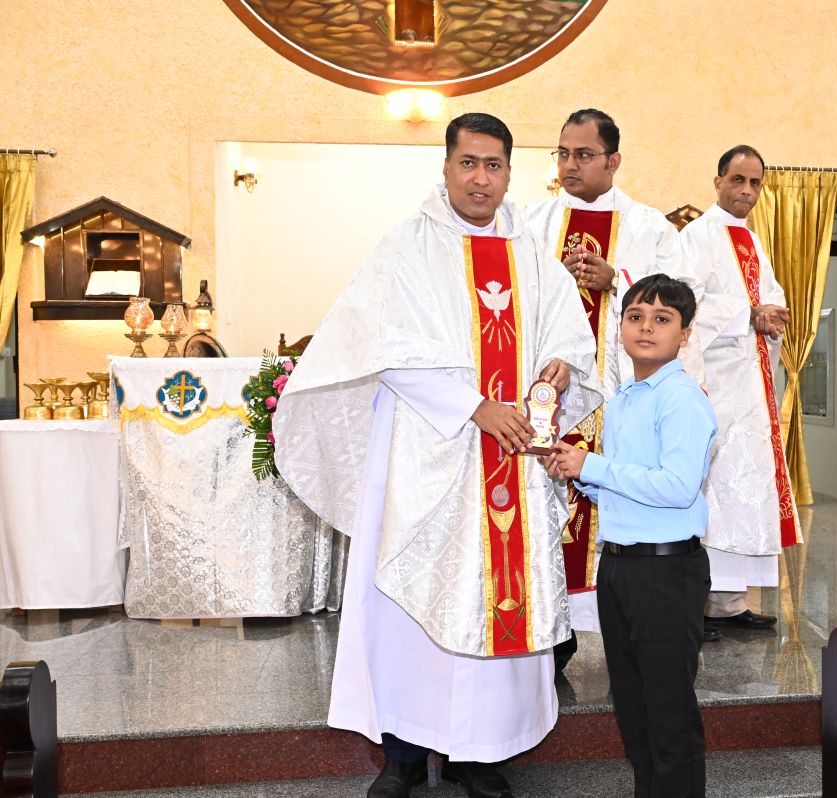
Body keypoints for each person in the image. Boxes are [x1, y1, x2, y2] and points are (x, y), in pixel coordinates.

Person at [272, 113, 602, 798]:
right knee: (414, 595)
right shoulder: (407, 247)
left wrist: (561, 367)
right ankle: (401, 753)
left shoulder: (532, 251)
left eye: (494, 165)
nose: (481, 178)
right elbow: (383, 347)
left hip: (511, 457)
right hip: (430, 453)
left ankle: (478, 754)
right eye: (468, 163)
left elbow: (568, 334)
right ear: (446, 167)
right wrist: (474, 407)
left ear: (509, 172)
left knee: (492, 600)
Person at [541, 273, 717, 798]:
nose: (646, 328)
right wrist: (580, 475)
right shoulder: (622, 399)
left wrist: (593, 465)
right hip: (619, 566)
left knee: (668, 712)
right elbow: (629, 486)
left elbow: (678, 488)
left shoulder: (680, 398)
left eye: (662, 319)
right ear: (619, 328)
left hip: (667, 570)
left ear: (684, 334)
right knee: (634, 709)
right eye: (635, 317)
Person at [524, 109, 687, 663]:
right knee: (548, 501)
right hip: (551, 394)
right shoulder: (533, 222)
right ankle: (553, 628)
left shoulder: (648, 226)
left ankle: (614, 618)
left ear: (613, 160)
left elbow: (681, 297)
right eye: (563, 153)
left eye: (584, 155)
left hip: (618, 393)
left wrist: (616, 280)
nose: (569, 165)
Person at [679, 145, 800, 630]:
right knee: (717, 491)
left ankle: (730, 603)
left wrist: (772, 315)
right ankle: (701, 605)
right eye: (737, 180)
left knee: (748, 490)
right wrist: (747, 315)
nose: (746, 191)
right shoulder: (696, 236)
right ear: (718, 181)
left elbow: (770, 295)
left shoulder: (752, 238)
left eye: (755, 183)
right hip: (716, 385)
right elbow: (684, 302)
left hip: (753, 383)